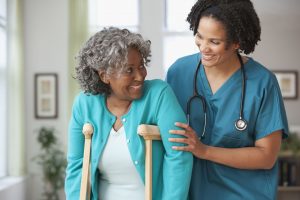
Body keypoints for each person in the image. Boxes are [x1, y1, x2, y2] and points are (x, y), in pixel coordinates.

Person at [166, 0, 289, 200]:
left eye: (214, 42)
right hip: (190, 192)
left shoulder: (262, 82)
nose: (203, 47)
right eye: (199, 36)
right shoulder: (179, 71)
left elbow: (267, 156)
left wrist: (204, 150)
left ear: (236, 43)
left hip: (244, 194)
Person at [65, 27, 193, 200]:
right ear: (105, 76)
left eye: (141, 66)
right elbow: (76, 166)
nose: (140, 75)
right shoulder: (84, 104)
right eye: (129, 70)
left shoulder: (159, 94)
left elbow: (179, 155)